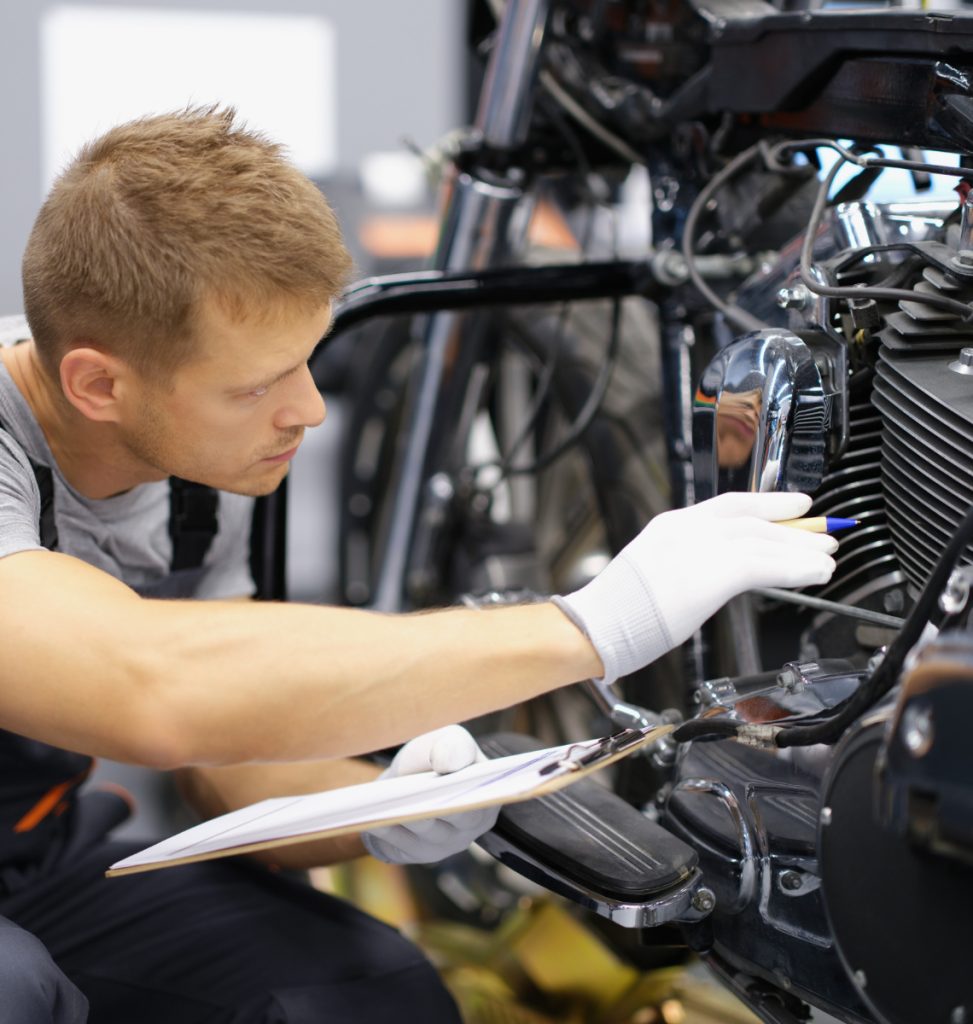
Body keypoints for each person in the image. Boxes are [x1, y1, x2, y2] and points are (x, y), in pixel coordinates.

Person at [0, 107, 838, 1023]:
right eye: (255, 387)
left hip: (34, 860)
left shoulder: (192, 462)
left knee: (365, 997)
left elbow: (223, 760)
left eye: (306, 364)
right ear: (97, 384)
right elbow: (148, 685)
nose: (309, 411)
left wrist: (383, 805)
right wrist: (596, 624)